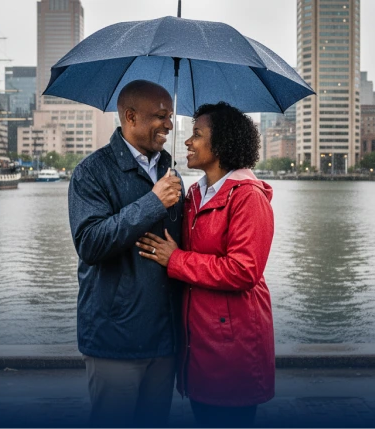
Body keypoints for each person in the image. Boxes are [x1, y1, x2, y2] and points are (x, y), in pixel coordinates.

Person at [137, 102, 275, 428]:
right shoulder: (195, 195)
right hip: (198, 341)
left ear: (222, 143)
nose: (187, 141)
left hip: (233, 343)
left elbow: (243, 270)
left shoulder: (247, 197)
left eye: (197, 134)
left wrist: (176, 259)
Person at [68, 80, 184, 428]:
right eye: (160, 116)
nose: (169, 125)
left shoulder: (170, 171)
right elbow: (90, 243)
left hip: (164, 339)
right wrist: (152, 202)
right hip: (114, 340)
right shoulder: (91, 172)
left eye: (171, 117)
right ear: (130, 117)